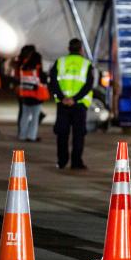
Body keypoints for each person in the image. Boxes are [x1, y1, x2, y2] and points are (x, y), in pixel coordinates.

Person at [50, 38, 93, 169]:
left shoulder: (60, 62)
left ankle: (62, 161)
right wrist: (74, 99)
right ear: (81, 49)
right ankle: (76, 162)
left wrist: (63, 97)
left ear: (69, 49)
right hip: (79, 105)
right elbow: (88, 85)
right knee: (78, 135)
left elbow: (52, 82)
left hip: (63, 105)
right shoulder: (87, 64)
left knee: (62, 134)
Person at [17, 49, 46, 142]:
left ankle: (22, 135)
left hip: (25, 95)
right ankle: (31, 136)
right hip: (36, 96)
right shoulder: (38, 68)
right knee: (35, 117)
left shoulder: (23, 67)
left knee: (24, 116)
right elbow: (43, 80)